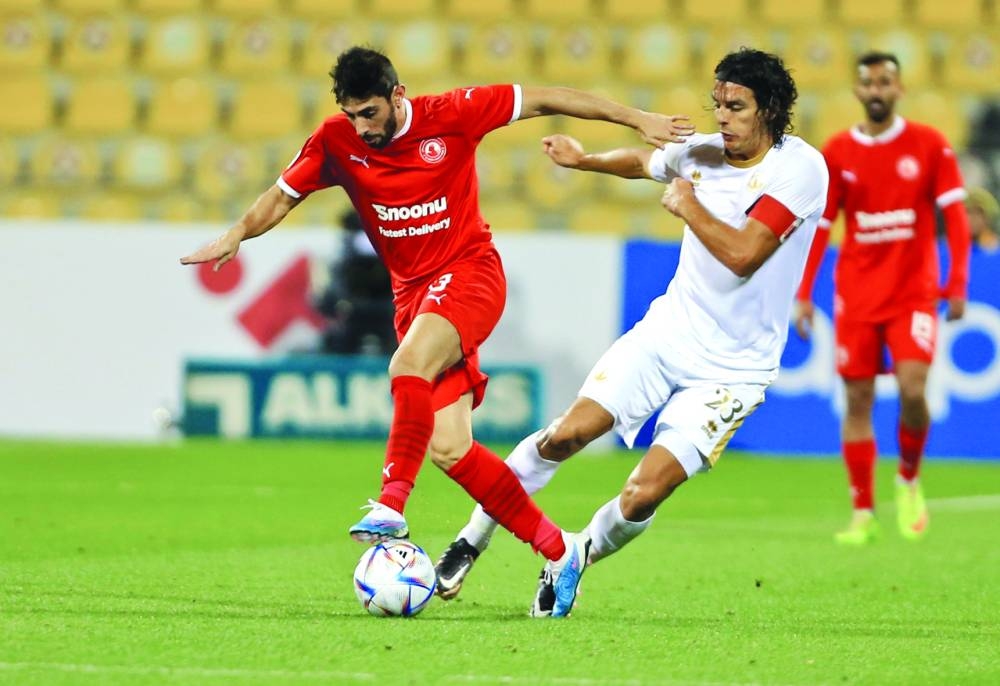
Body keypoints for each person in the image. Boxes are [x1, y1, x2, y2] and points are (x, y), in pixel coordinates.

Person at [180, 46, 693, 617]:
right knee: (451, 450)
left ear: (398, 96)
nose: (362, 127)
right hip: (413, 297)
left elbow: (547, 96)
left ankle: (391, 505)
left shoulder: (454, 113)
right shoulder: (335, 140)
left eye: (370, 113)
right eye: (352, 115)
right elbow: (282, 195)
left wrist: (638, 118)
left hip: (471, 275)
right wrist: (236, 235)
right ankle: (560, 550)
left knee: (406, 366)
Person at [434, 48, 828, 615]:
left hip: (734, 369)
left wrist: (689, 206)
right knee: (566, 435)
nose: (722, 117)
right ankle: (471, 539)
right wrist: (584, 160)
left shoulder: (800, 169)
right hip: (666, 336)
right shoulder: (703, 155)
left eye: (736, 107)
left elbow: (745, 255)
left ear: (769, 110)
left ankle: (573, 557)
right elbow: (646, 162)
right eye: (717, 104)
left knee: (644, 492)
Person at [793, 52, 971, 545]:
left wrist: (956, 284)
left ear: (899, 89)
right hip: (856, 295)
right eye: (868, 82)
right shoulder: (839, 152)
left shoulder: (929, 145)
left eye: (885, 82)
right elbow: (823, 226)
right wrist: (805, 293)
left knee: (914, 389)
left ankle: (909, 479)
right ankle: (863, 513)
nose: (876, 90)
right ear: (857, 91)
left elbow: (955, 221)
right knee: (857, 399)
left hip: (913, 293)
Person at [314, 208, 396, 355]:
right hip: (353, 312)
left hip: (387, 311)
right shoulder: (343, 260)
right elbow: (327, 300)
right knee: (337, 342)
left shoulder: (393, 255)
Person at [967, 186, 1000, 254]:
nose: (971, 219)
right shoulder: (946, 250)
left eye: (977, 213)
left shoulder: (995, 251)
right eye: (967, 212)